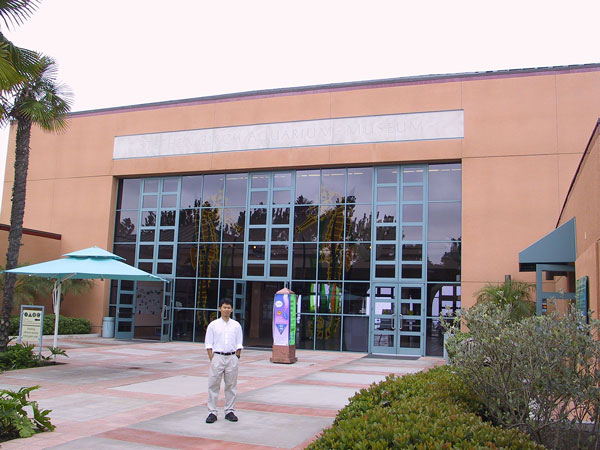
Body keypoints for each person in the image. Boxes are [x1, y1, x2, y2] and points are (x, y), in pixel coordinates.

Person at [204, 298, 243, 423]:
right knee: (213, 385)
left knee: (231, 386)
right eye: (224, 307)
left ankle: (229, 411)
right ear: (220, 309)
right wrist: (212, 358)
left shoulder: (236, 325)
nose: (226, 309)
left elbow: (239, 343)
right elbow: (208, 344)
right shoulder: (213, 325)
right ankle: (212, 412)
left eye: (228, 307)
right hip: (217, 357)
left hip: (232, 357)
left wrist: (237, 356)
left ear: (231, 310)